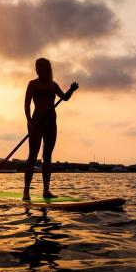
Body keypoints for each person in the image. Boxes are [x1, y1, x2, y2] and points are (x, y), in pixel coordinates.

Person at [23, 58, 78, 201]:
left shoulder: (53, 85)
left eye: (41, 66)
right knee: (33, 156)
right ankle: (26, 192)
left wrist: (71, 90)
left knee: (47, 157)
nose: (38, 69)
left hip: (51, 123)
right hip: (37, 123)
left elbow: (65, 98)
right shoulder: (33, 84)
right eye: (37, 67)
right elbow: (27, 104)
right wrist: (29, 122)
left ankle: (46, 191)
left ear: (48, 68)